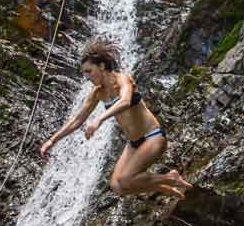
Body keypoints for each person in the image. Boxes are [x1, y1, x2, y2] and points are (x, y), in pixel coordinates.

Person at [40, 39, 192, 200]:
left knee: (126, 179)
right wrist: (52, 140)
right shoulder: (97, 93)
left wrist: (99, 120)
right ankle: (162, 186)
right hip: (133, 145)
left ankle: (170, 178)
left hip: (152, 137)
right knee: (117, 186)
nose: (87, 77)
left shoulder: (123, 79)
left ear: (102, 66)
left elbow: (125, 101)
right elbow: (77, 120)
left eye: (89, 71)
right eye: (84, 73)